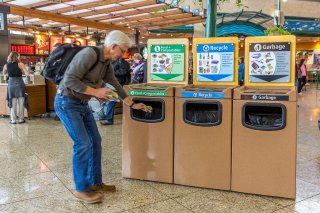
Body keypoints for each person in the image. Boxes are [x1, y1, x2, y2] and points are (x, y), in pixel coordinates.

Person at [54, 30, 148, 204]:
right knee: (83, 143)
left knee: (95, 141)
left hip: (82, 103)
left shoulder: (106, 63)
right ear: (113, 47)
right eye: (122, 50)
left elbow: (115, 84)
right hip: (66, 102)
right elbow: (69, 80)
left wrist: (131, 103)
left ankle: (95, 183)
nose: (123, 55)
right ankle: (81, 189)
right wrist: (96, 91)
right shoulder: (89, 54)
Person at [100, 58, 131, 126]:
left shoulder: (117, 62)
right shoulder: (122, 62)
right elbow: (127, 73)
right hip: (120, 85)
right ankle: (130, 118)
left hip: (116, 85)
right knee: (123, 101)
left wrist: (111, 74)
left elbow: (122, 72)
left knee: (111, 101)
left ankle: (109, 119)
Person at [2, 52, 30, 124]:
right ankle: (21, 119)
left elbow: (4, 73)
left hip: (11, 84)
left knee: (12, 102)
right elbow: (27, 74)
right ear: (17, 57)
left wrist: (10, 72)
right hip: (20, 84)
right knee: (21, 102)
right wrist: (22, 72)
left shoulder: (6, 65)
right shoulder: (21, 64)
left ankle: (13, 119)